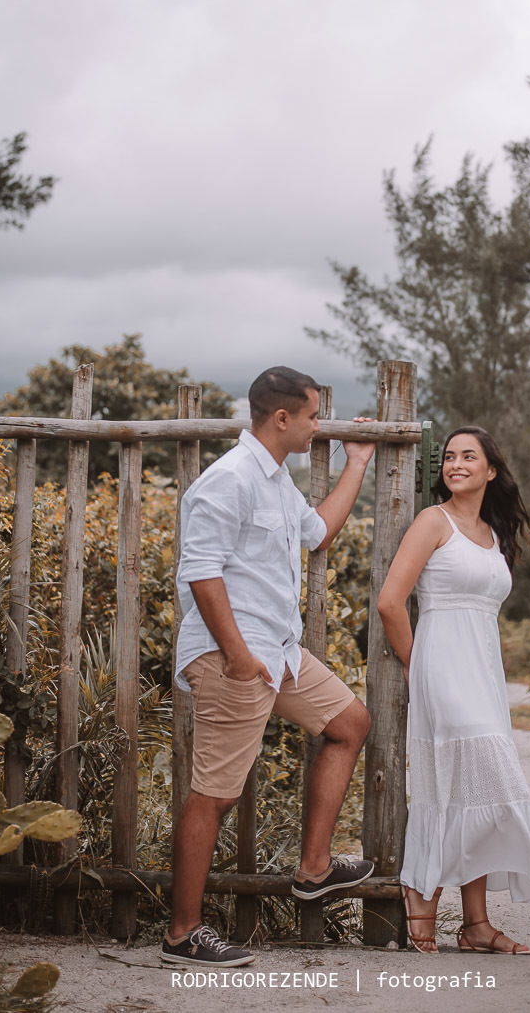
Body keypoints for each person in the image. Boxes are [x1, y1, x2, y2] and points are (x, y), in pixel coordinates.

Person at [161, 366, 376, 968]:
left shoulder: (277, 480)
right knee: (214, 794)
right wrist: (235, 656)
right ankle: (182, 934)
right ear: (282, 418)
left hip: (279, 653)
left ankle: (313, 868)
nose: (317, 426)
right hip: (237, 655)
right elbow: (200, 571)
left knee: (350, 723)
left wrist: (356, 463)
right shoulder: (227, 480)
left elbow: (319, 534)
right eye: (311, 416)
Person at [377, 426, 530, 955]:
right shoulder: (431, 522)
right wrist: (420, 666)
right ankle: (421, 899)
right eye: (450, 456)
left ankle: (475, 925)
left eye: (469, 457)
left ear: (490, 471)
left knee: (472, 790)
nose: (455, 463)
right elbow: (392, 602)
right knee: (464, 782)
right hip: (442, 669)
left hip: (485, 674)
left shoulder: (491, 533)